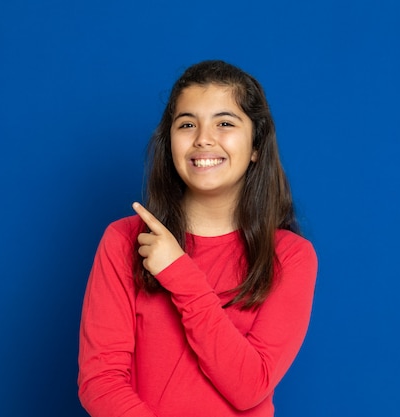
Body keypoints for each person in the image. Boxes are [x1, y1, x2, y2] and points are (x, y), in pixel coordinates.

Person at [78, 60, 317, 417]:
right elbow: (101, 380)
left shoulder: (291, 255)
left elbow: (250, 387)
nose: (203, 138)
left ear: (256, 145)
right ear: (169, 141)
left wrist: (179, 273)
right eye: (187, 124)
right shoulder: (124, 240)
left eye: (224, 123)